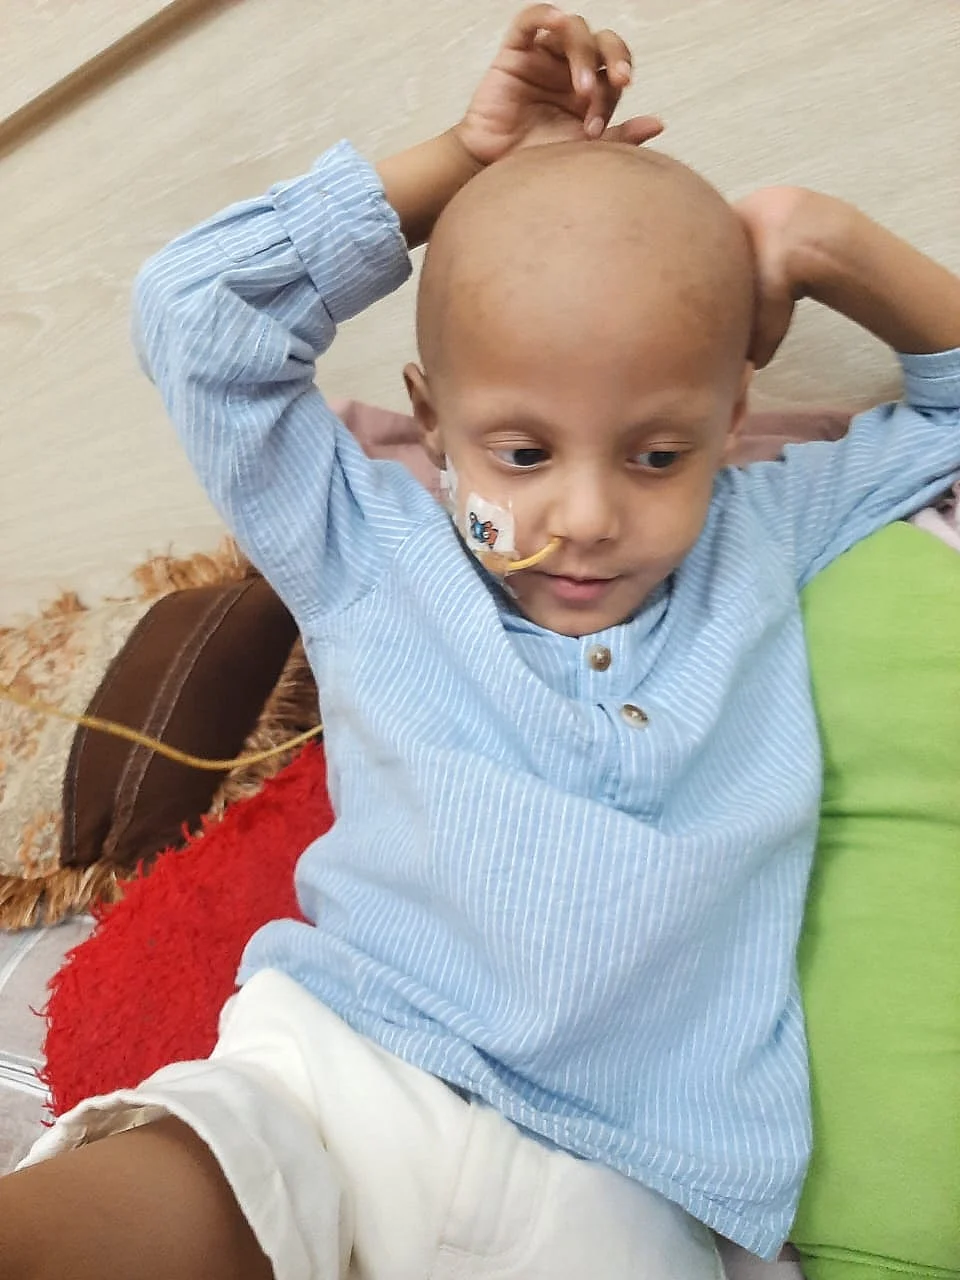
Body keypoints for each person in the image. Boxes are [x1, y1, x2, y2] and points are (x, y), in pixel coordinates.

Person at [3, 6, 959, 1278]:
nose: (588, 517)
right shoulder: (368, 543)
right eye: (521, 451)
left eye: (657, 455)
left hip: (640, 1179)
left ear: (734, 418)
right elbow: (194, 312)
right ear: (432, 423)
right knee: (131, 1201)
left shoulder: (766, 529)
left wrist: (821, 238)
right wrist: (460, 161)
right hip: (345, 1066)